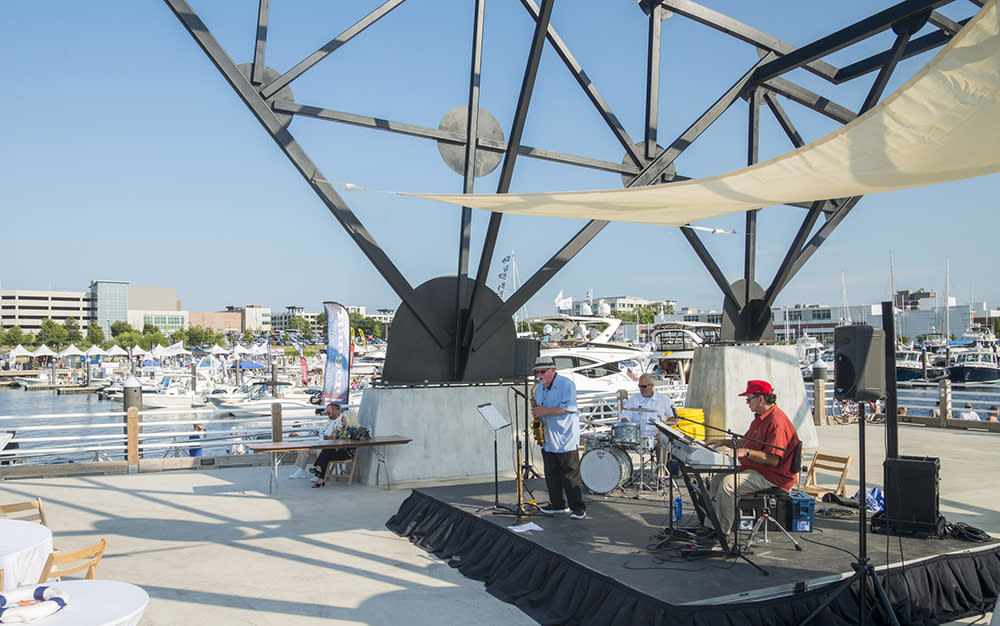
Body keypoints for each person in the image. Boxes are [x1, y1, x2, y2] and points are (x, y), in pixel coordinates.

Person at [701, 380, 801, 546]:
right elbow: (748, 443)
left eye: (748, 399)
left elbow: (774, 460)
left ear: (760, 399)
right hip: (757, 468)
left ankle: (723, 534)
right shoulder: (760, 418)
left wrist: (746, 452)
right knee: (717, 478)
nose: (747, 403)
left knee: (728, 484)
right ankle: (712, 526)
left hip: (774, 476)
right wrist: (724, 442)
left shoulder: (777, 422)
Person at [531, 356, 586, 519]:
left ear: (552, 371)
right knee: (551, 472)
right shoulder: (539, 388)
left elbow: (569, 407)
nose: (539, 375)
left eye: (542, 372)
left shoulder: (566, 384)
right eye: (537, 372)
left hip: (565, 434)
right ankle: (557, 504)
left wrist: (544, 412)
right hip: (548, 435)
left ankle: (578, 507)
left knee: (570, 472)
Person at [620, 373, 678, 471]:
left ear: (652, 386)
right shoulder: (634, 400)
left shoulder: (663, 400)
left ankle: (661, 473)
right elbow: (625, 417)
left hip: (656, 434)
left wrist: (664, 426)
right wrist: (628, 426)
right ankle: (624, 471)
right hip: (638, 435)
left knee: (663, 439)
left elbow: (672, 418)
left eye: (643, 386)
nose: (641, 389)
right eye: (639, 386)